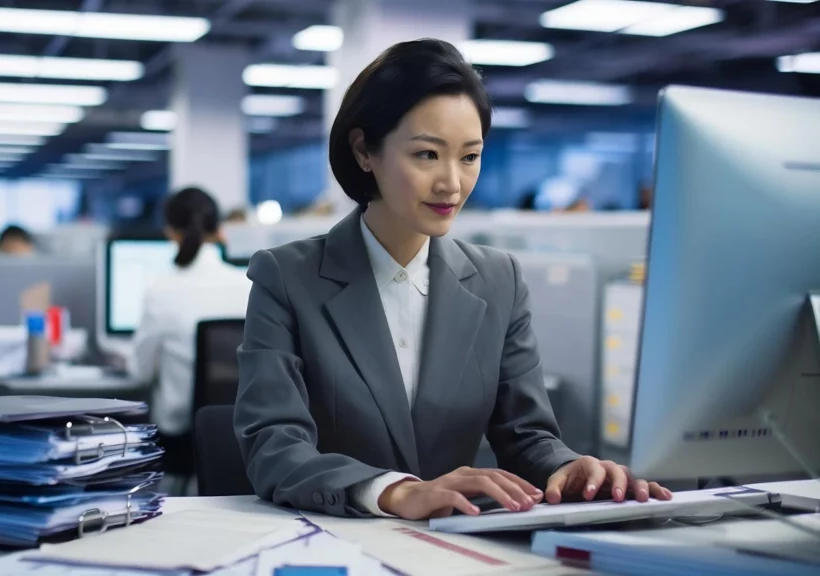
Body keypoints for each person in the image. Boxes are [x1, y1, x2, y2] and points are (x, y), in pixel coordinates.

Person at [234, 39, 672, 520]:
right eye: (427, 155)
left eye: (469, 157)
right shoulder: (287, 276)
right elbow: (274, 446)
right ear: (364, 150)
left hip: (454, 551)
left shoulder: (498, 280)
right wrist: (394, 491)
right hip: (333, 542)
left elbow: (527, 437)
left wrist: (570, 470)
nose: (452, 183)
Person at [124, 187, 252, 489]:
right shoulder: (248, 284)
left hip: (180, 442)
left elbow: (138, 373)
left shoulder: (161, 292)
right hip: (245, 437)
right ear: (219, 228)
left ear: (171, 232)